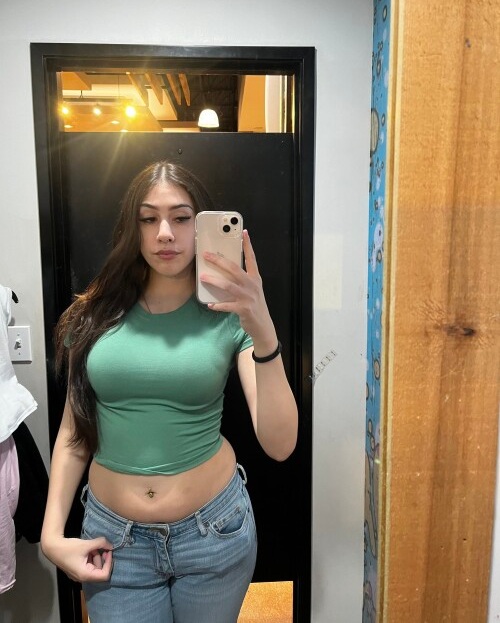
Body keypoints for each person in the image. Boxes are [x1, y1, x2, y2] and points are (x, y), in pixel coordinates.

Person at [40, 160, 298, 623]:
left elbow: (280, 444)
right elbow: (75, 434)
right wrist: (51, 534)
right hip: (115, 542)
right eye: (149, 218)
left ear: (201, 227)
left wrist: (263, 329)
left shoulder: (230, 315)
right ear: (132, 228)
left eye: (181, 218)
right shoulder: (94, 316)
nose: (164, 233)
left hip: (213, 533)